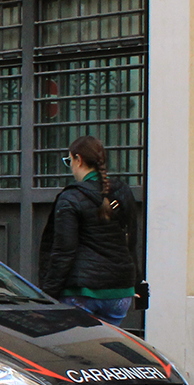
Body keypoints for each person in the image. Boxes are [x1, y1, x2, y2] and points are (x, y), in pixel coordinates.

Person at [39, 135, 138, 326]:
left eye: (69, 161)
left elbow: (63, 252)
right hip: (120, 293)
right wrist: (137, 281)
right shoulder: (123, 191)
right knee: (104, 349)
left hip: (82, 292)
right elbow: (131, 240)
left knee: (73, 350)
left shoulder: (70, 198)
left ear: (78, 159)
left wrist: (46, 295)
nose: (71, 166)